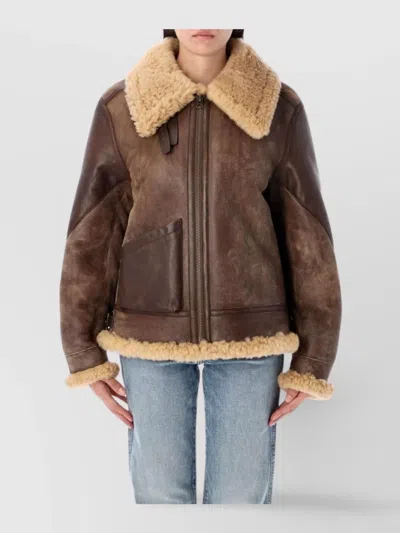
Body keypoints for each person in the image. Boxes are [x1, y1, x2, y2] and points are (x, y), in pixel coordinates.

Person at [59, 28, 342, 504]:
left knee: (240, 501)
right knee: (160, 499)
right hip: (148, 332)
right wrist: (83, 350)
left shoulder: (277, 108)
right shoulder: (123, 108)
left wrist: (314, 358)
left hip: (251, 332)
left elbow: (308, 236)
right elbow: (92, 232)